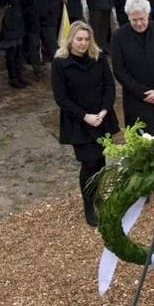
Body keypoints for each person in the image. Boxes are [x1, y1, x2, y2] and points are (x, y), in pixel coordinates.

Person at [50, 21, 120, 225]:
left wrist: (104, 110)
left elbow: (109, 85)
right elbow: (61, 97)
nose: (83, 43)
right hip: (78, 122)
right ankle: (88, 203)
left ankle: (99, 197)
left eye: (87, 39)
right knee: (89, 162)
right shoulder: (60, 62)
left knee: (100, 161)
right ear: (71, 39)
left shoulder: (98, 58)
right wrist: (85, 116)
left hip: (101, 117)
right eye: (79, 39)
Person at [110, 0, 154, 132]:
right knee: (139, 143)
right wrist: (143, 93)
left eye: (142, 19)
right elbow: (119, 70)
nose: (139, 23)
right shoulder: (118, 36)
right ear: (128, 16)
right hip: (135, 99)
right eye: (134, 20)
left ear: (148, 14)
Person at [23, 0, 62, 74]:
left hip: (47, 18)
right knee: (33, 46)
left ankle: (59, 68)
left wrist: (50, 10)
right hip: (31, 20)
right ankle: (37, 71)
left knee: (52, 45)